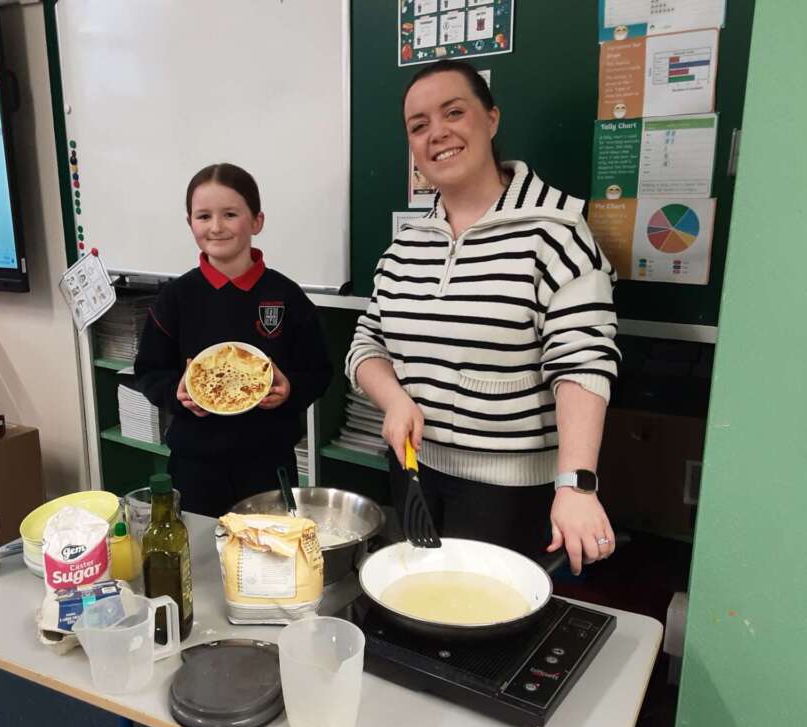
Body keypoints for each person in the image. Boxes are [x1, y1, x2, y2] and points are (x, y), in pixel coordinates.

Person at [345, 60, 620, 575]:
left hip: (508, 492)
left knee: (488, 614)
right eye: (419, 125)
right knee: (421, 596)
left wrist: (576, 484)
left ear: (491, 119)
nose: (437, 133)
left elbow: (583, 363)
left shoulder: (556, 233)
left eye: (454, 112)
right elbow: (367, 345)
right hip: (413, 469)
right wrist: (395, 399)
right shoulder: (405, 246)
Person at [135, 163, 332, 517]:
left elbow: (319, 371)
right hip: (194, 464)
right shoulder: (176, 298)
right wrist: (176, 392)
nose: (216, 226)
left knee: (267, 548)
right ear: (190, 223)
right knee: (199, 546)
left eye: (230, 214)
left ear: (256, 221)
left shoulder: (286, 295)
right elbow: (149, 370)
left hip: (268, 463)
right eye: (204, 216)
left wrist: (290, 389)